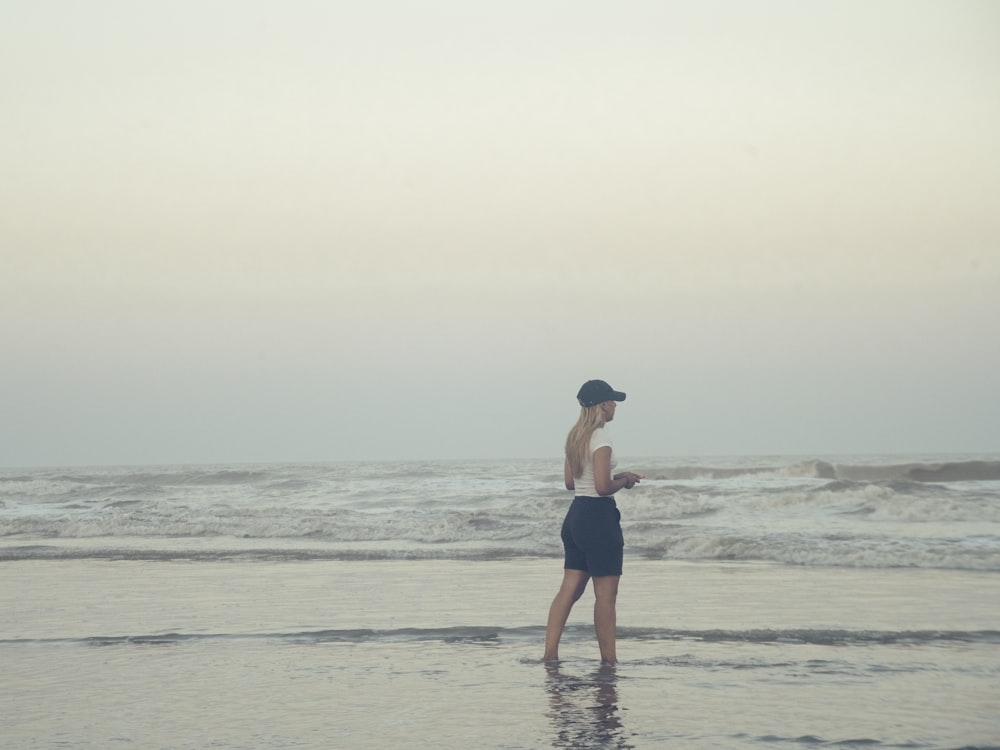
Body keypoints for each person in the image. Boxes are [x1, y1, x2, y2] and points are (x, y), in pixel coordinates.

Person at [543, 379, 643, 665]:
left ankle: (550, 655)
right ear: (600, 405)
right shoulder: (601, 437)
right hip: (599, 518)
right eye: (611, 401)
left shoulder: (574, 436)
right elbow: (602, 487)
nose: (614, 405)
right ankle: (609, 662)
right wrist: (624, 480)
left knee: (569, 589)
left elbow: (569, 483)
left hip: (576, 517)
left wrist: (617, 475)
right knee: (606, 595)